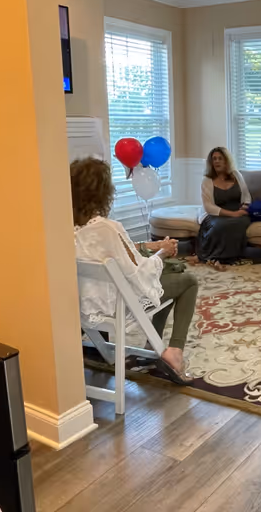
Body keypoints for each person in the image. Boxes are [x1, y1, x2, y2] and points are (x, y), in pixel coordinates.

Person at [71, 158, 195, 385]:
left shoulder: (68, 226)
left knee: (166, 277)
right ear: (103, 190)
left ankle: (150, 345)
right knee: (186, 280)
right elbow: (138, 274)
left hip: (86, 305)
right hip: (119, 303)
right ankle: (173, 350)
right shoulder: (108, 227)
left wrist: (150, 247)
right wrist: (164, 253)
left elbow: (112, 254)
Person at [197, 147, 251, 269]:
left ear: (226, 161)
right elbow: (209, 207)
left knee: (240, 223)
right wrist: (233, 214)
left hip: (237, 210)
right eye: (214, 159)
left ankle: (228, 258)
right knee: (220, 226)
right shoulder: (207, 180)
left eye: (220, 158)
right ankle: (214, 258)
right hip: (216, 213)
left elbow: (247, 196)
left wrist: (244, 208)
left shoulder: (236, 175)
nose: (217, 161)